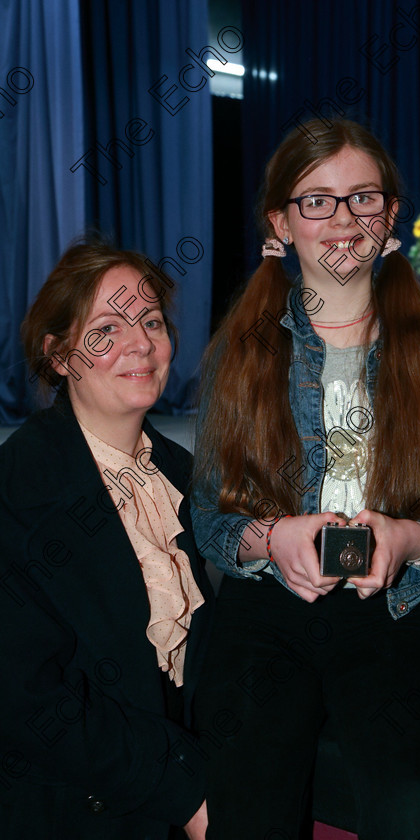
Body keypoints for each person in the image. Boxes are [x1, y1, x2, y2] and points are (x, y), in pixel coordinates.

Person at [190, 118, 420, 840]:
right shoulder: (243, 345)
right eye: (317, 201)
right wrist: (270, 537)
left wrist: (410, 537)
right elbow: (206, 517)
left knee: (416, 815)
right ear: (280, 221)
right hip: (263, 614)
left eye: (363, 198)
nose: (344, 220)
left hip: (392, 610)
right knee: (245, 817)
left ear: (390, 215)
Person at [0, 241, 213, 840]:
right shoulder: (16, 490)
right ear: (60, 355)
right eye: (106, 330)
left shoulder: (177, 473)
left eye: (150, 322)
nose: (141, 344)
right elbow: (29, 702)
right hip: (72, 808)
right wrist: (186, 793)